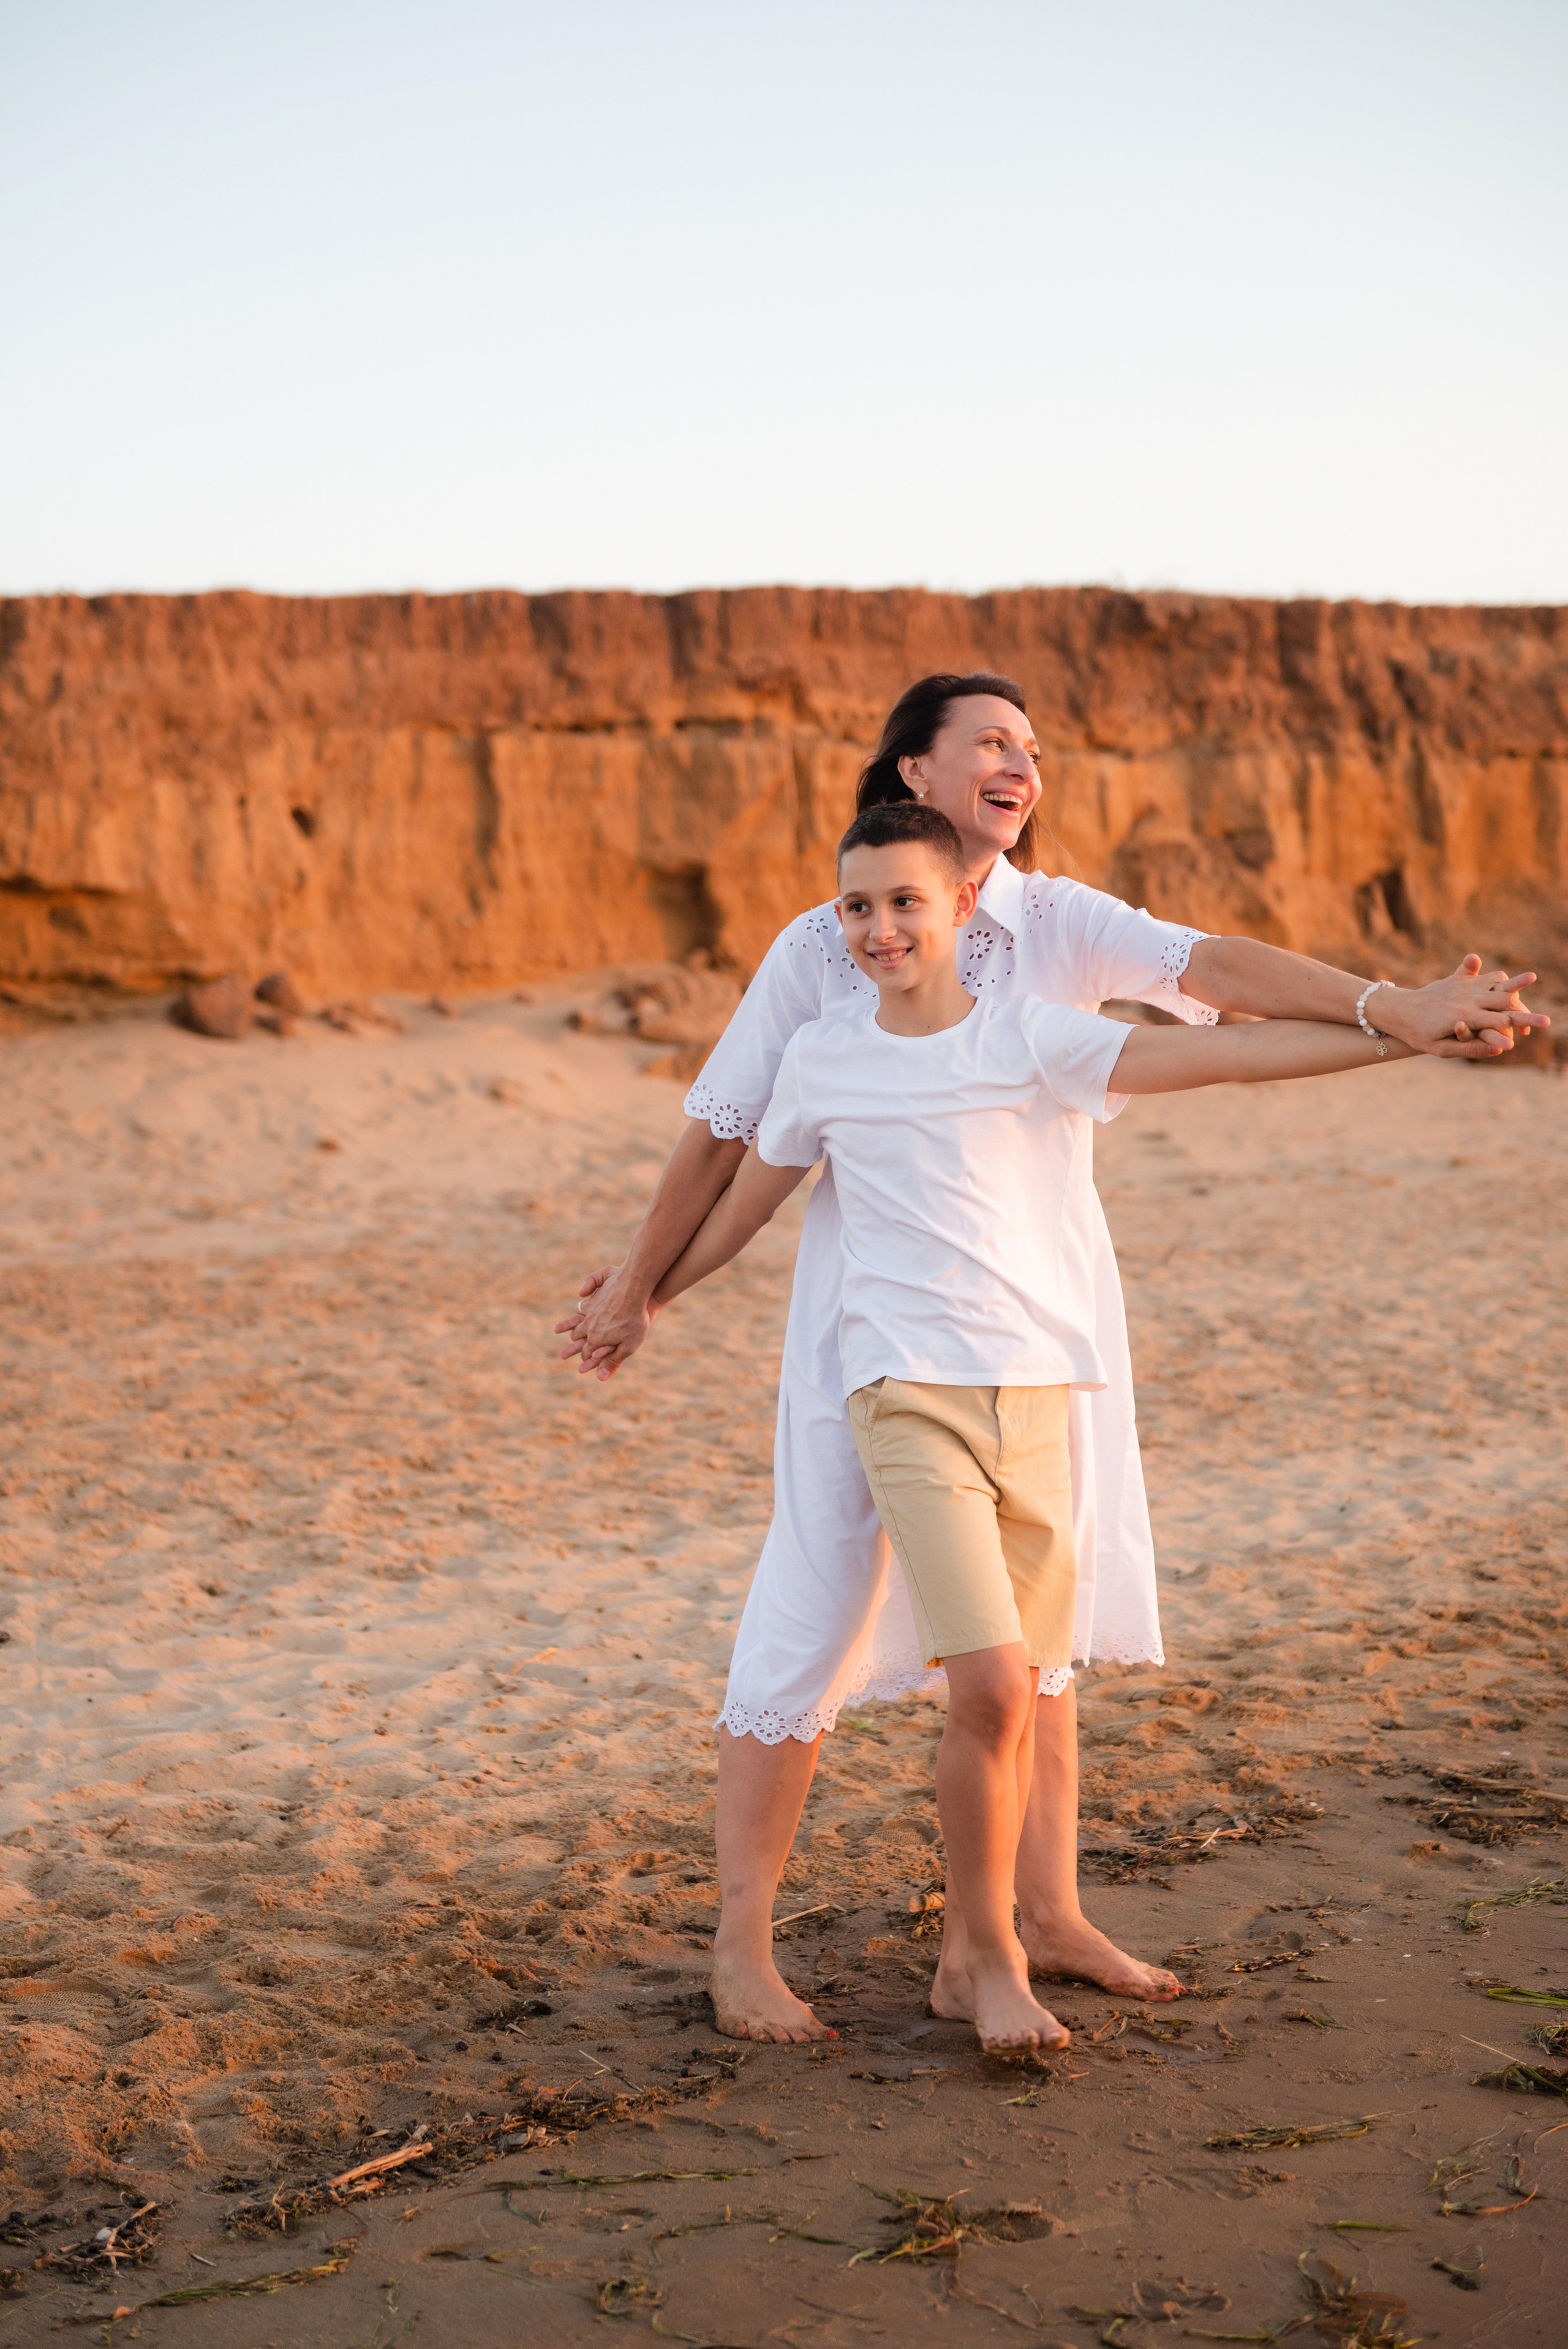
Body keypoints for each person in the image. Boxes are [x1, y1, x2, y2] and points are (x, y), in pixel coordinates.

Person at [556, 670, 1544, 2045]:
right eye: (989, 742)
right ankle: (743, 1947)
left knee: (1038, 1648)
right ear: (914, 770)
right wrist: (638, 1285)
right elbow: (729, 1133)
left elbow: (1218, 978)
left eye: (1030, 745)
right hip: (868, 1333)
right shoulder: (825, 947)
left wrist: (1394, 1010)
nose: (1020, 764)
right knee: (815, 1611)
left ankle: (1046, 1918)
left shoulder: (1056, 927)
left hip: (1043, 1324)